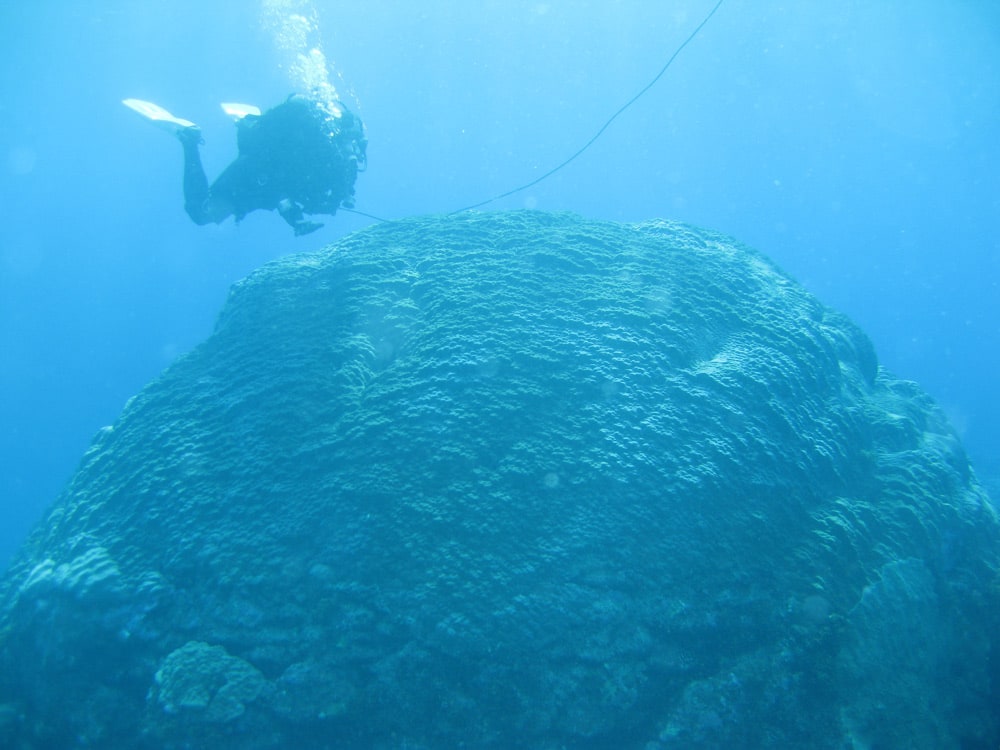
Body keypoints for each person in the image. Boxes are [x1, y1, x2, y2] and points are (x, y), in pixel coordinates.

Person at [177, 94, 367, 236]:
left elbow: (290, 186)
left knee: (203, 214)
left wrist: (297, 215)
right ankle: (189, 139)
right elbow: (281, 182)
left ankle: (244, 125)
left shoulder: (330, 157)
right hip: (256, 172)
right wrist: (294, 216)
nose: (353, 154)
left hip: (261, 177)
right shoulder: (331, 158)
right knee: (201, 213)